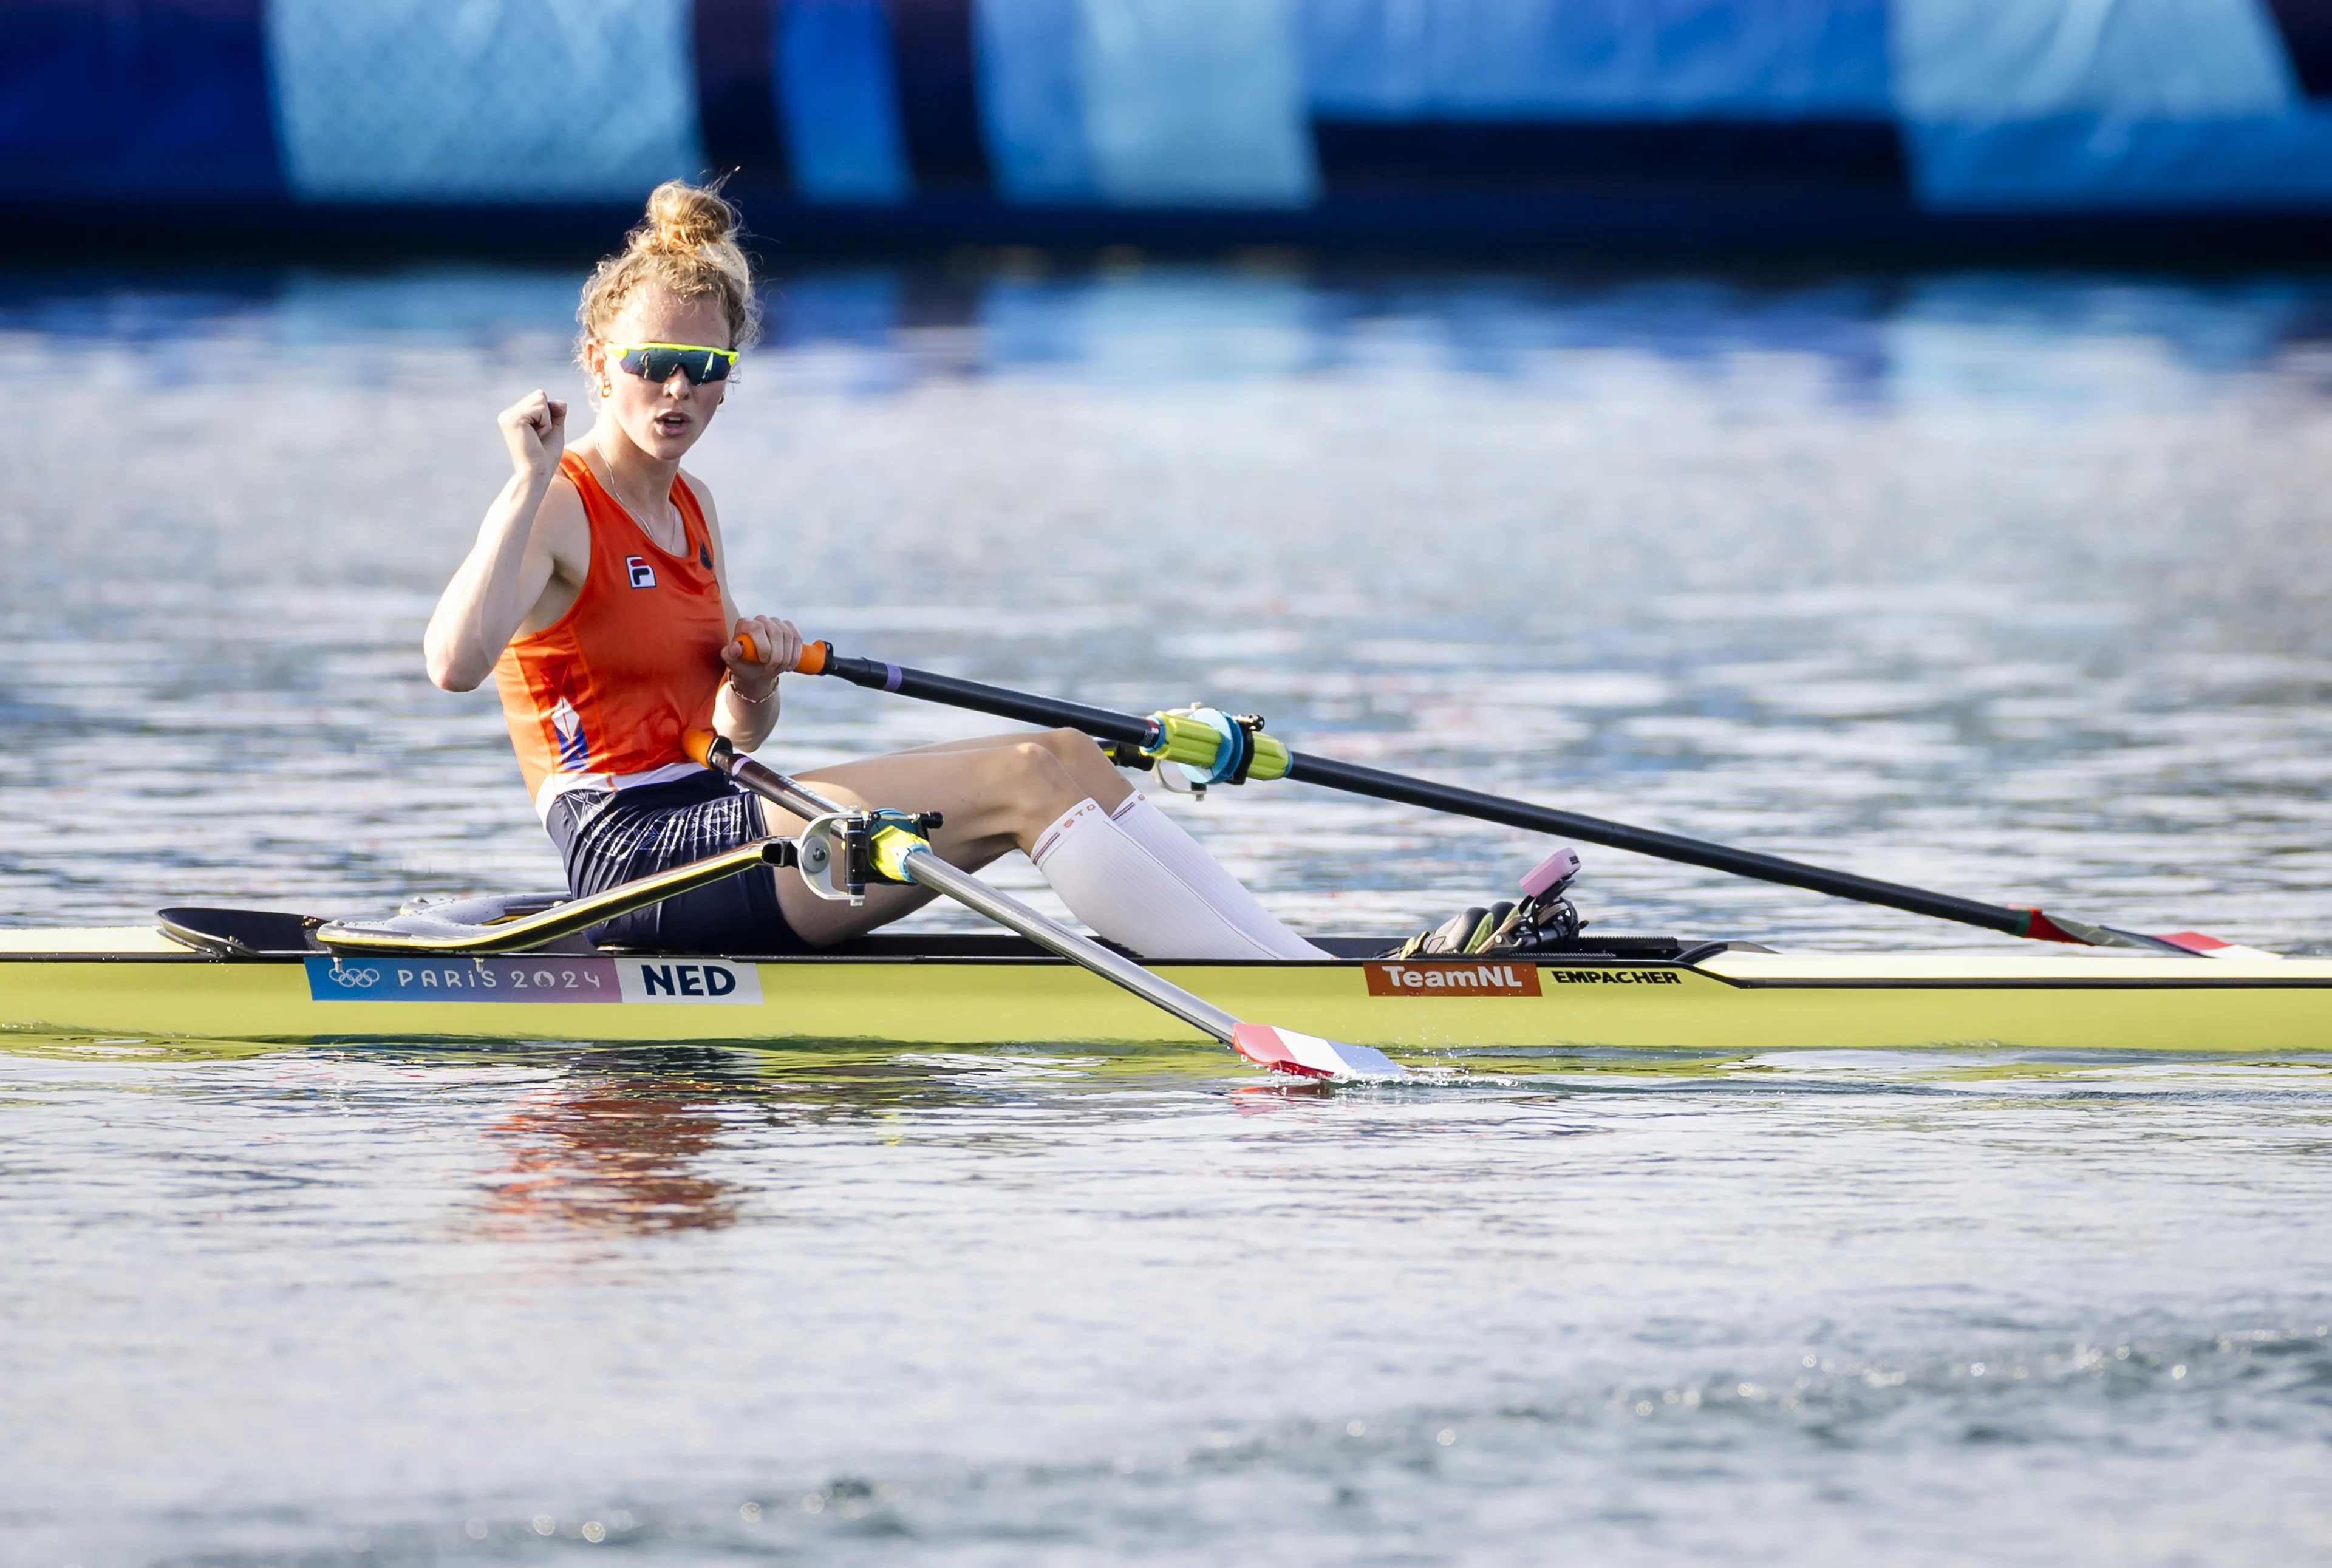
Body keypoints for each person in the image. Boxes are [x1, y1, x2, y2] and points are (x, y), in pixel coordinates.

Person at [424, 180, 1323, 961]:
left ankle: (1293, 963)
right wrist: (526, 477)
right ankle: (1278, 985)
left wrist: (755, 681)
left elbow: (737, 727)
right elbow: (453, 665)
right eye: (653, 365)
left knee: (1066, 753)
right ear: (598, 363)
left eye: (705, 368)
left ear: (730, 373)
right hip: (633, 859)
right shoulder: (557, 501)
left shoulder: (694, 507)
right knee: (1023, 779)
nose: (678, 391)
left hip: (718, 809)